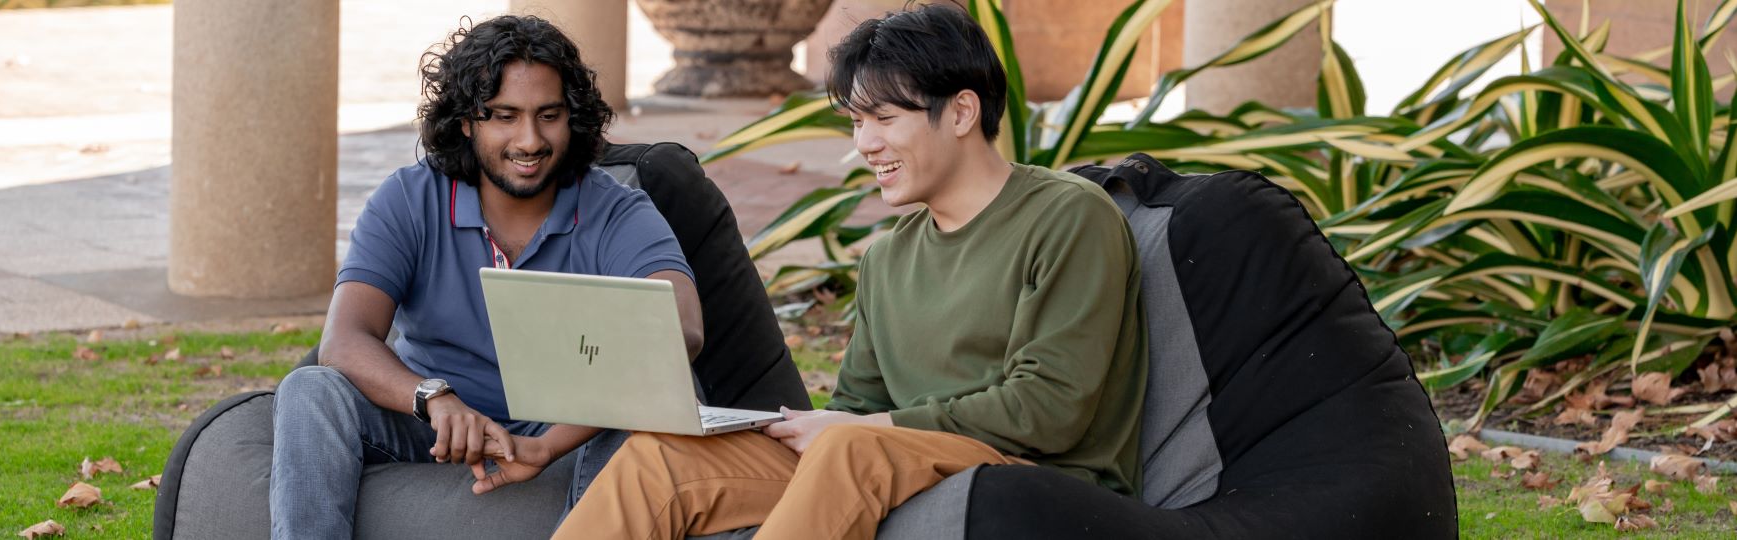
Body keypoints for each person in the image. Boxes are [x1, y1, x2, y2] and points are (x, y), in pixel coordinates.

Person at [550, 4, 1148, 539]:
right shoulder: (888, 257)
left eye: (883, 119)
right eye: (856, 123)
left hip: (1036, 478)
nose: (865, 144)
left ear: (963, 111)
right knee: (659, 459)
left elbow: (1049, 409)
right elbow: (858, 405)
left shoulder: (1070, 216)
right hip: (887, 457)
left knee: (849, 447)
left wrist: (866, 427)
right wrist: (795, 426)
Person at [268, 15, 703, 539]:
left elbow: (682, 330)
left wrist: (551, 443)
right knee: (310, 389)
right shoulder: (409, 199)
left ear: (573, 119)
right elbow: (342, 341)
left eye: (549, 115)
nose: (530, 139)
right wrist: (433, 398)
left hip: (570, 432)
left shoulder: (617, 212)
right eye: (503, 116)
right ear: (467, 122)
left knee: (654, 420)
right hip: (431, 424)